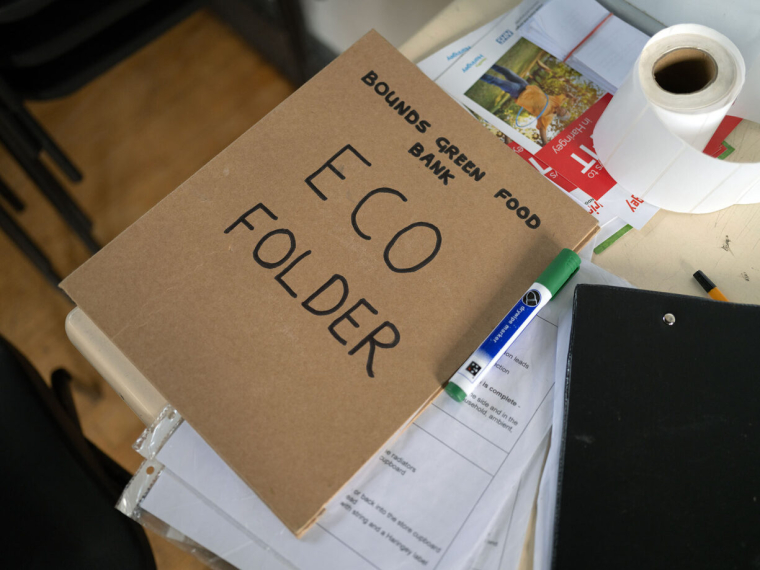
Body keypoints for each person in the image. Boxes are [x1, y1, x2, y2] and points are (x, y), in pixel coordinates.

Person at [479, 64, 569, 145]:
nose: (565, 110)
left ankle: (477, 73)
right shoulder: (557, 101)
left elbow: (542, 130)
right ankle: (487, 63)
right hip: (526, 85)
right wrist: (572, 97)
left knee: (496, 81)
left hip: (519, 93)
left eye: (565, 112)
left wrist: (545, 142)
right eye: (566, 110)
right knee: (506, 71)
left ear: (561, 115)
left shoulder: (548, 117)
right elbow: (566, 95)